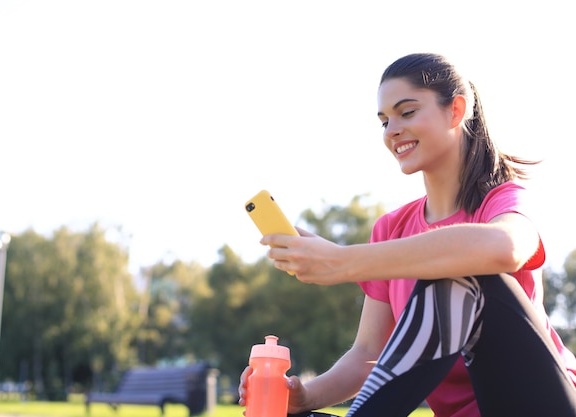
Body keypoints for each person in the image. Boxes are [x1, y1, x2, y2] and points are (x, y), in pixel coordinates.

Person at [238, 53, 576, 417]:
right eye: (384, 121)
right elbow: (367, 354)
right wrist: (302, 397)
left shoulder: (506, 200)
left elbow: (507, 247)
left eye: (407, 112)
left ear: (456, 110)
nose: (391, 131)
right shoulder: (390, 229)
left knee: (455, 277)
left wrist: (340, 261)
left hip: (539, 405)